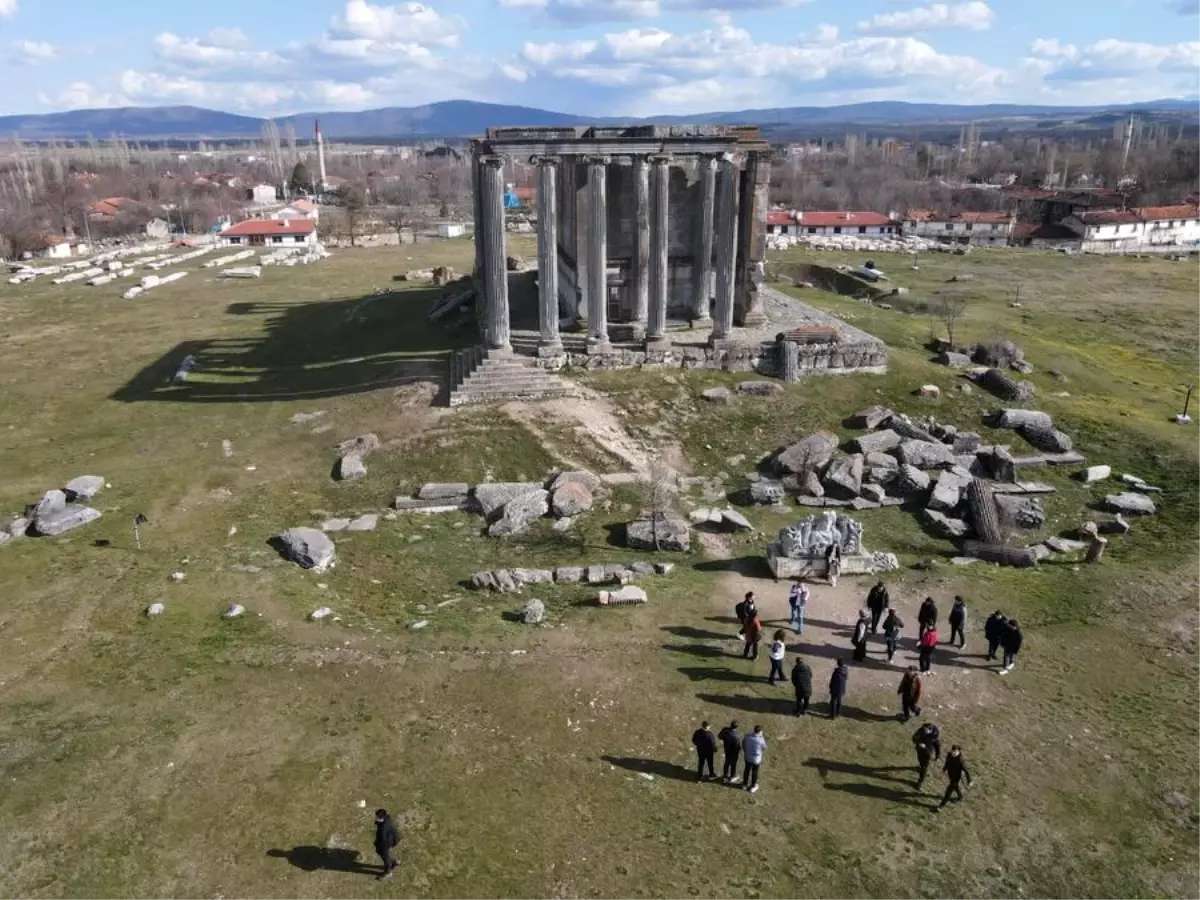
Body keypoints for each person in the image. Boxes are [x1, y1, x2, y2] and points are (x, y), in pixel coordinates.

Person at [938, 745, 972, 810]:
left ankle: (941, 806)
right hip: (950, 775)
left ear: (959, 752)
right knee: (956, 787)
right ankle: (960, 797)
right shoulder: (949, 755)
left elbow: (966, 771)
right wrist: (944, 770)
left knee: (948, 792)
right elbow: (947, 763)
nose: (954, 752)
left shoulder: (960, 761)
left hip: (956, 778)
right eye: (953, 751)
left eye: (956, 751)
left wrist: (969, 781)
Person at [912, 723, 942, 791]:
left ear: (930, 730)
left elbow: (937, 746)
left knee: (924, 767)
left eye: (926, 730)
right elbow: (914, 738)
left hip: (927, 754)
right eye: (924, 729)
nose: (924, 731)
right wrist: (919, 743)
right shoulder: (921, 730)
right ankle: (921, 768)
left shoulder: (934, 737)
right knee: (920, 762)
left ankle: (920, 782)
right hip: (919, 750)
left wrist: (937, 756)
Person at [374, 808, 399, 881]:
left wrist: (378, 846)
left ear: (381, 818)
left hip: (385, 844)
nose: (375, 818)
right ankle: (394, 863)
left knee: (385, 857)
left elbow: (382, 840)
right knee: (385, 855)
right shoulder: (387, 820)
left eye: (377, 817)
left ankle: (388, 872)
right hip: (390, 841)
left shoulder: (383, 828)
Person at [742, 725, 767, 794]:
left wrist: (745, 751)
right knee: (754, 772)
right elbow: (764, 747)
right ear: (760, 732)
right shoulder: (761, 739)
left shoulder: (747, 736)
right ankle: (753, 786)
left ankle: (744, 784)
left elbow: (743, 743)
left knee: (747, 770)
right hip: (756, 760)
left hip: (747, 757)